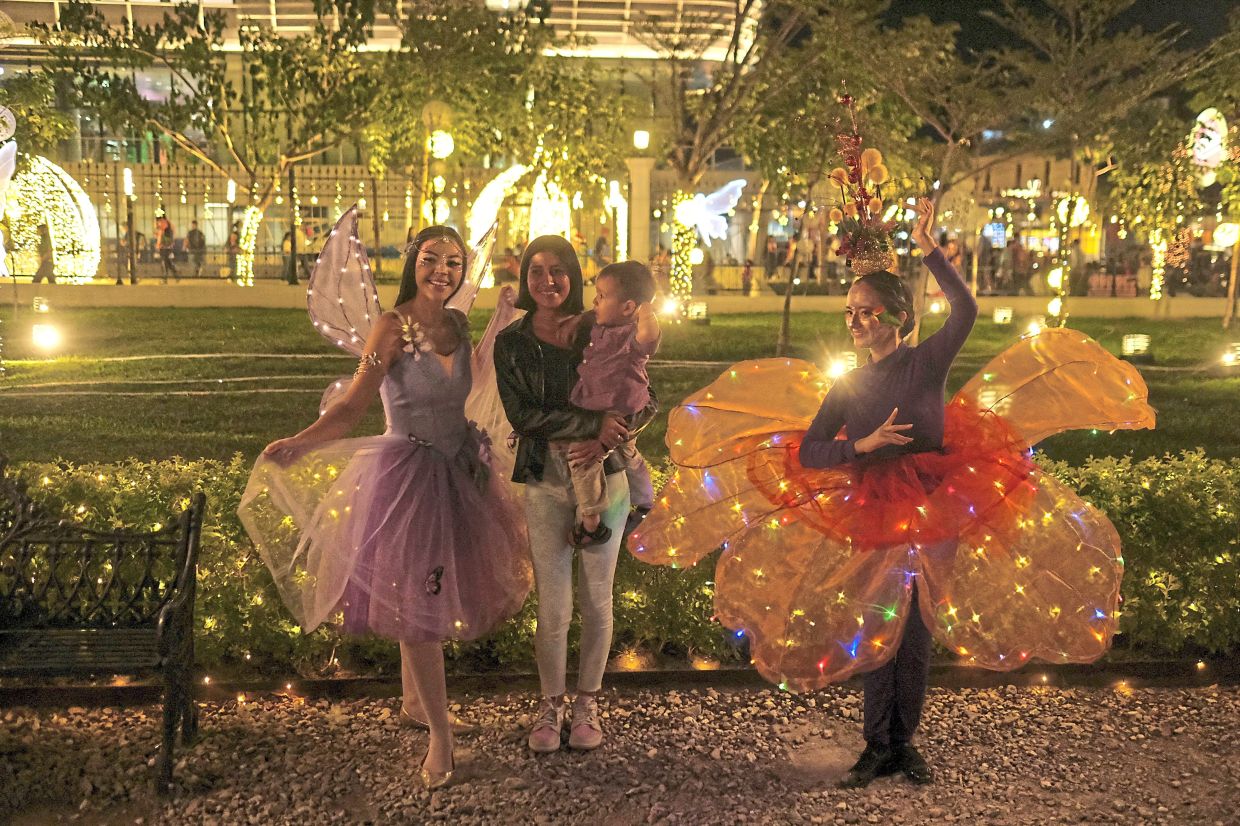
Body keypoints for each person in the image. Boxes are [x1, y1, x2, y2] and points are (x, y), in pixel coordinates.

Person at [629, 198, 1153, 789]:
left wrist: (929, 248)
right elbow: (811, 451)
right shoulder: (850, 386)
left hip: (935, 501)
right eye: (849, 312)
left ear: (897, 318)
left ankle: (905, 743)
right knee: (880, 620)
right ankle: (876, 743)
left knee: (918, 627)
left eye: (866, 312)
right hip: (875, 507)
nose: (854, 322)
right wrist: (863, 445)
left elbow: (966, 310)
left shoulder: (924, 363)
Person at [239, 225, 531, 790]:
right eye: (431, 259)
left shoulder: (457, 323)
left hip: (461, 471)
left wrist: (499, 320)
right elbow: (354, 405)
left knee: (427, 592)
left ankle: (415, 704)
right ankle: (440, 735)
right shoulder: (391, 327)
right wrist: (301, 442)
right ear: (412, 262)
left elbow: (475, 378)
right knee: (419, 601)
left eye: (453, 262)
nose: (442, 271)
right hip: (409, 478)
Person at [494, 236, 657, 754]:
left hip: (606, 477)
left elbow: (644, 393)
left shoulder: (601, 326)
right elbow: (523, 415)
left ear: (574, 277)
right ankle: (551, 704)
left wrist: (611, 435)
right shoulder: (512, 342)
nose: (548, 280)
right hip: (545, 479)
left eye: (558, 269)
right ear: (525, 278)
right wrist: (591, 425)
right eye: (536, 270)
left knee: (597, 598)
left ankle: (587, 702)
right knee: (554, 605)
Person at [562, 260, 660, 548]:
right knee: (629, 454)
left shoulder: (631, 335)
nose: (595, 301)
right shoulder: (602, 325)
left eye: (602, 296)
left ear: (628, 307)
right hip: (606, 402)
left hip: (619, 406)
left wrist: (647, 309)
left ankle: (591, 521)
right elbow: (589, 318)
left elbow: (649, 337)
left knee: (583, 459)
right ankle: (646, 502)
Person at [155, 216, 177, 282]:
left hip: (164, 247)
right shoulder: (169, 226)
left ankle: (165, 278)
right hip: (167, 247)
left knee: (164, 262)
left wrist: (158, 245)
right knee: (167, 262)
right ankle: (176, 274)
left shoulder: (163, 226)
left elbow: (161, 237)